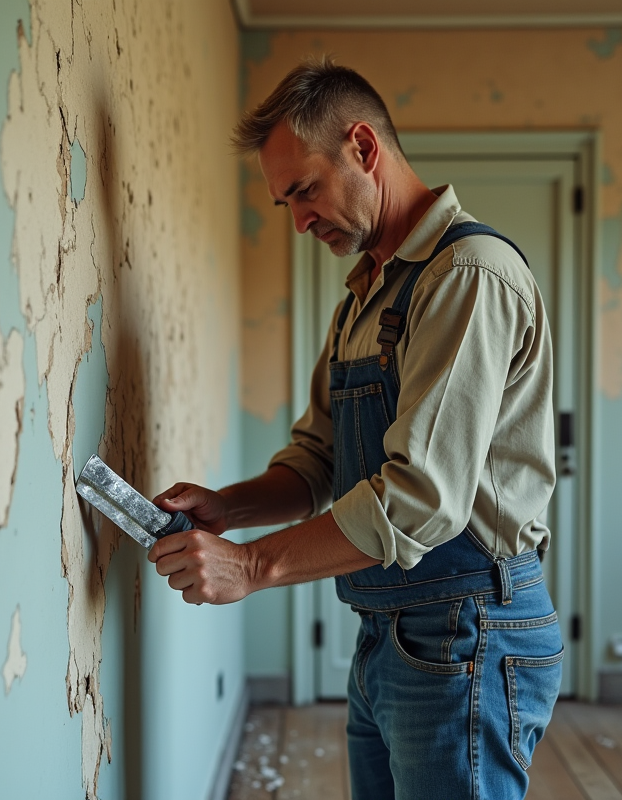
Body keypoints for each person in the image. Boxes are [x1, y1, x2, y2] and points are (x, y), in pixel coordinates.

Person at [147, 57, 562, 799]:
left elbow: (421, 497)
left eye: (304, 190)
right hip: (390, 634)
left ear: (363, 149)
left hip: (468, 632)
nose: (301, 220)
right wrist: (228, 508)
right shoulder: (366, 297)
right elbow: (318, 459)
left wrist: (248, 567)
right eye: (286, 204)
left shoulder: (465, 275)